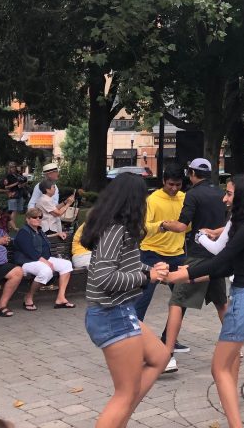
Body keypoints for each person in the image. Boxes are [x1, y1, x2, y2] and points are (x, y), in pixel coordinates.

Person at [165, 174, 244, 428]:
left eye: (229, 193)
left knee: (220, 368)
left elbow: (222, 260)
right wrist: (191, 277)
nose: (224, 198)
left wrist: (184, 273)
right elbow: (230, 265)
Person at [82, 172, 170, 428]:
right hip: (112, 314)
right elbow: (104, 278)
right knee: (125, 393)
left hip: (119, 312)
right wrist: (146, 276)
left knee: (160, 357)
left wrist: (151, 271)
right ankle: (118, 417)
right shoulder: (115, 231)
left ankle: (120, 418)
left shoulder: (118, 230)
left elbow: (124, 265)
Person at [158, 157, 228, 372]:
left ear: (191, 173)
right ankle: (236, 346)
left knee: (176, 301)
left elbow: (181, 226)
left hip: (198, 256)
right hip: (218, 256)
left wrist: (163, 225)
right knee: (221, 303)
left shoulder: (193, 194)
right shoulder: (221, 194)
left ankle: (166, 355)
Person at [134, 168, 186, 321]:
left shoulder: (185, 198)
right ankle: (134, 337)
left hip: (177, 254)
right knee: (143, 299)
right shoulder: (152, 199)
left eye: (178, 185)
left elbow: (186, 225)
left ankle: (168, 338)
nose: (174, 188)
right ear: (163, 181)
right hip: (152, 253)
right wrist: (162, 225)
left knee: (181, 300)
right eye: (171, 184)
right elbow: (144, 226)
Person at [14, 207, 76, 311]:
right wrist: (47, 262)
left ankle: (60, 298)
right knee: (46, 271)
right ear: (27, 219)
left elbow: (44, 240)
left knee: (67, 264)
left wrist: (57, 234)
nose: (38, 219)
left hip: (42, 259)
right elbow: (30, 252)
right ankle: (29, 296)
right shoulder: (23, 232)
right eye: (34, 217)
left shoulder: (39, 230)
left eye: (40, 217)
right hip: (27, 261)